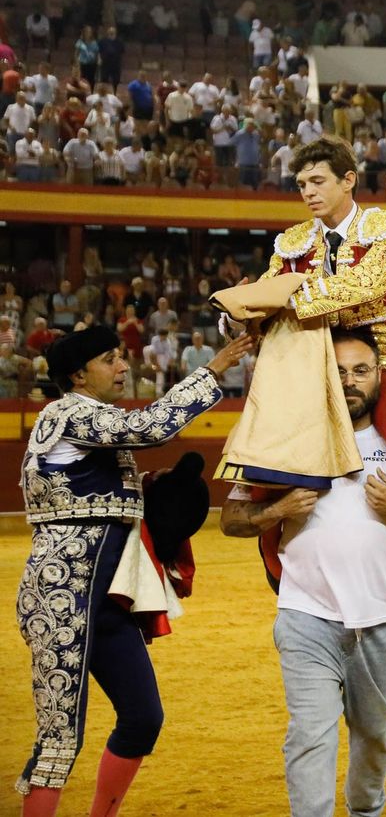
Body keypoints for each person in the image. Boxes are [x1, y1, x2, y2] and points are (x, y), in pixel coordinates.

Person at [221, 328, 386, 817]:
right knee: (309, 734)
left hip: (383, 616)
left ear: (380, 376)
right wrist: (278, 510)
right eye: (338, 371)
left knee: (375, 734)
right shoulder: (284, 439)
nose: (350, 381)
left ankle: (365, 809)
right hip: (305, 613)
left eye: (361, 370)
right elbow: (231, 520)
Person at [17, 324, 252, 814]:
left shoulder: (92, 424)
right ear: (78, 374)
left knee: (143, 717)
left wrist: (151, 488)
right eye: (111, 359)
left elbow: (95, 494)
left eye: (121, 357)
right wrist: (213, 370)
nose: (124, 367)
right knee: (60, 737)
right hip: (62, 593)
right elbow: (151, 428)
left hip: (108, 598)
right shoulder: (68, 413)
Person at [247, 136, 386, 495]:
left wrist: (284, 301)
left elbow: (366, 283)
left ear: (348, 180)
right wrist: (238, 315)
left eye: (317, 182)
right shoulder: (292, 242)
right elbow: (262, 296)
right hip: (308, 365)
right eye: (301, 185)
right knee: (262, 475)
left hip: (377, 362)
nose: (308, 192)